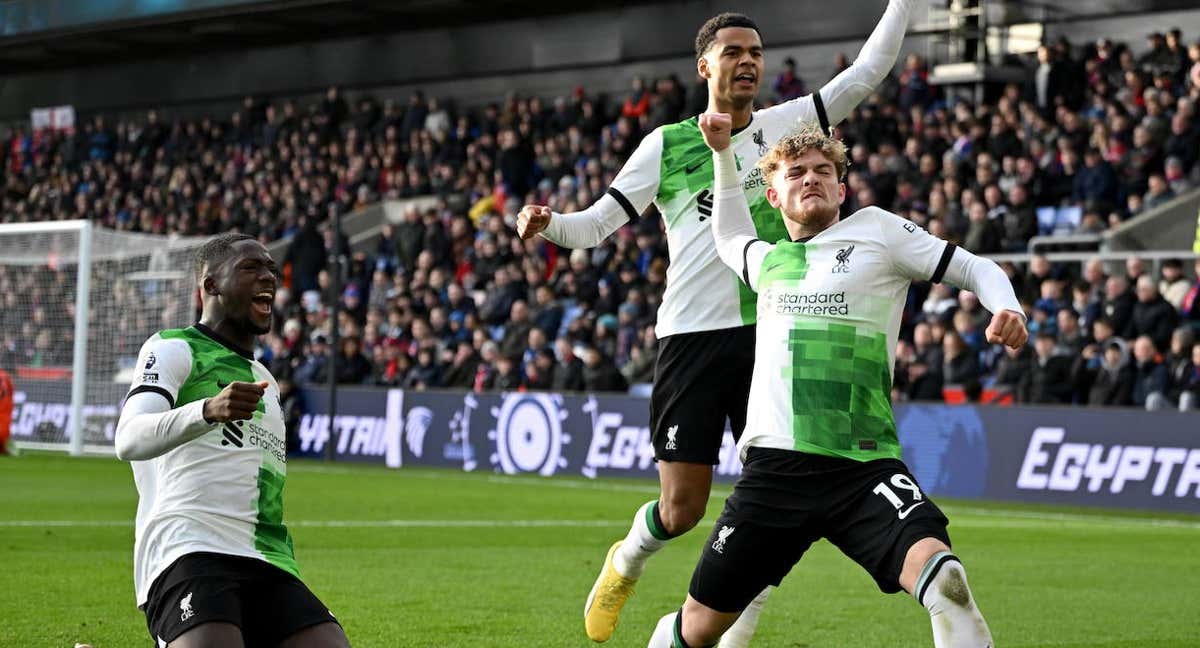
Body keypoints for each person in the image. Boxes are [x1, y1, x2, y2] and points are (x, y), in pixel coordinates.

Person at [514, 4, 917, 643]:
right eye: (733, 51)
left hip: (774, 333)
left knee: (771, 495)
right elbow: (595, 226)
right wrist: (551, 224)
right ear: (705, 66)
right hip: (691, 337)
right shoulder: (667, 145)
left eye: (755, 51)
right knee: (681, 510)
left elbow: (868, 71)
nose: (748, 61)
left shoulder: (788, 128)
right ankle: (627, 559)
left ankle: (727, 630)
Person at [645, 116, 1026, 648]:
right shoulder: (768, 261)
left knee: (948, 581)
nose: (811, 179)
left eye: (824, 171)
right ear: (773, 197)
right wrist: (722, 154)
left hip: (863, 465)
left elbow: (977, 268)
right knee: (698, 630)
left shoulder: (878, 231)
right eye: (796, 173)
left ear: (841, 188)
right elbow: (730, 232)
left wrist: (1006, 306)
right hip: (774, 472)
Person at [114, 233, 349, 648]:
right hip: (188, 548)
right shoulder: (173, 347)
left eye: (271, 270)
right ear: (210, 286)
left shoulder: (267, 381)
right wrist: (206, 410)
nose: (269, 278)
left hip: (268, 558)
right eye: (250, 268)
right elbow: (129, 439)